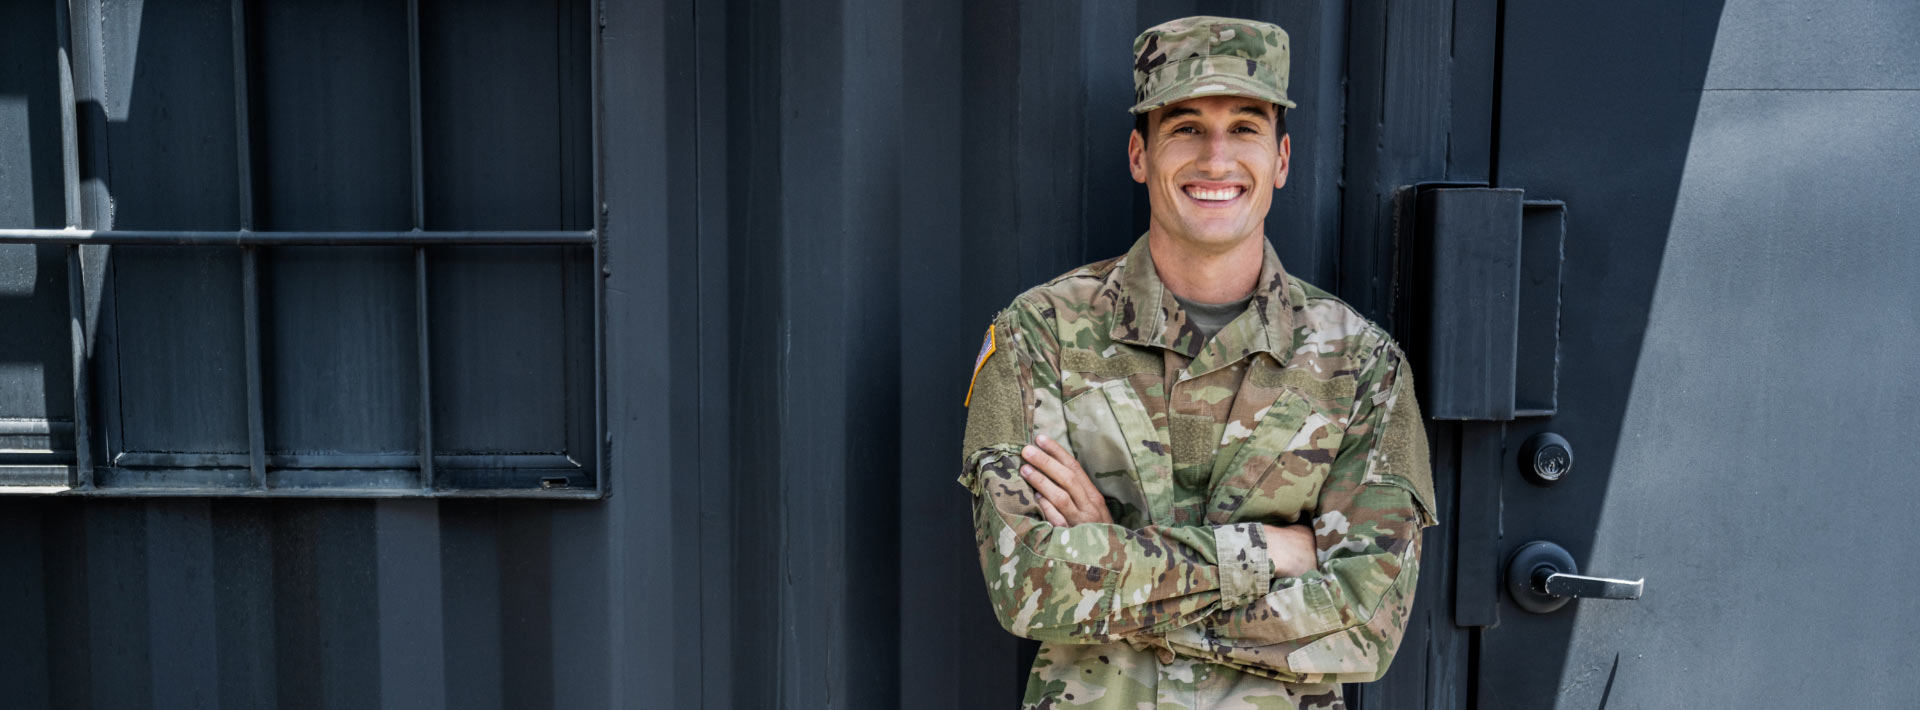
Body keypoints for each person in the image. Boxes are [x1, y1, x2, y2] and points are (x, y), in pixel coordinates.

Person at [957, 15, 1439, 709]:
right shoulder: (1041, 335)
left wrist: (1113, 554)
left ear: (1280, 159)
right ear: (1139, 154)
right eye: (1185, 127)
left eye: (1245, 127)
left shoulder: (1362, 365)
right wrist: (1270, 554)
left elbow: (1367, 624)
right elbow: (1027, 587)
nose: (1216, 158)